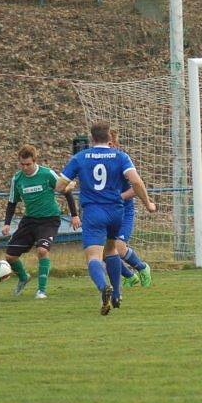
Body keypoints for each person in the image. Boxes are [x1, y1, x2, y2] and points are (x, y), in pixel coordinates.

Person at [55, 121, 157, 315]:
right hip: (116, 212)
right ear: (109, 137)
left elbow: (60, 186)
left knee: (93, 256)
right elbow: (136, 181)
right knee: (111, 249)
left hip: (94, 213)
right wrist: (149, 204)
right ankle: (117, 294)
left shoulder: (80, 157)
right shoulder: (120, 156)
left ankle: (104, 287)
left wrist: (69, 186)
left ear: (92, 138)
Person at [2, 144, 80, 299]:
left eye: (28, 164)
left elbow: (66, 190)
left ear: (35, 161)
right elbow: (12, 202)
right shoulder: (17, 179)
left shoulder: (46, 174)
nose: (25, 167)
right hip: (29, 220)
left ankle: (41, 290)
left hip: (49, 220)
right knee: (10, 257)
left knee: (42, 251)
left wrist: (74, 215)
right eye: (22, 164)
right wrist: (6, 223)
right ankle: (24, 277)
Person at [109, 129, 151, 288]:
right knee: (103, 251)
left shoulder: (122, 161)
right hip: (105, 212)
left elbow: (137, 187)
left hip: (123, 212)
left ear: (115, 144)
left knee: (118, 248)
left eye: (110, 143)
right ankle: (130, 276)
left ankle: (142, 267)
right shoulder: (95, 161)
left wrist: (119, 197)